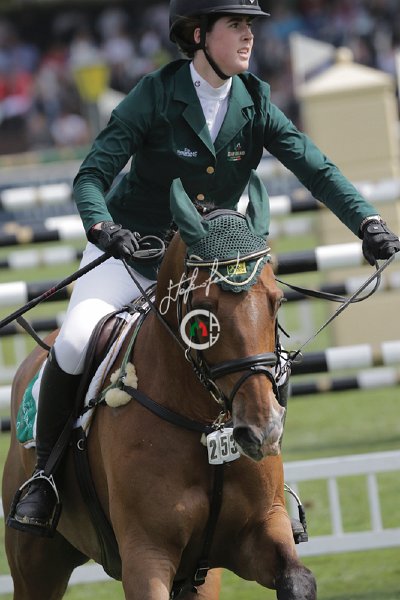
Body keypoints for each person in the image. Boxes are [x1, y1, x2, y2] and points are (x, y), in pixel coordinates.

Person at [8, 0, 400, 538]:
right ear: (197, 35)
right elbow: (91, 176)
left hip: (206, 271)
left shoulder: (255, 100)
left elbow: (316, 168)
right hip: (132, 256)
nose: (248, 36)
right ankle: (46, 476)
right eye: (235, 25)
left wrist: (367, 222)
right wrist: (103, 228)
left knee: (265, 355)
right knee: (74, 342)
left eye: (250, 26)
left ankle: (270, 484)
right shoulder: (155, 94)